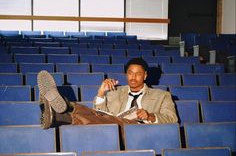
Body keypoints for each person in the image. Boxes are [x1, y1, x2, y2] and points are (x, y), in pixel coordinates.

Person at [37, 57, 178, 129]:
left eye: (138, 74)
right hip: (112, 129)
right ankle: (63, 113)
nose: (133, 77)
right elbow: (98, 115)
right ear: (126, 74)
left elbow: (172, 118)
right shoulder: (116, 92)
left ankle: (64, 109)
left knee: (113, 121)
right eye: (130, 73)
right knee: (105, 119)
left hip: (141, 130)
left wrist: (150, 116)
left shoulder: (162, 95)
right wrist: (101, 94)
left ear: (145, 75)